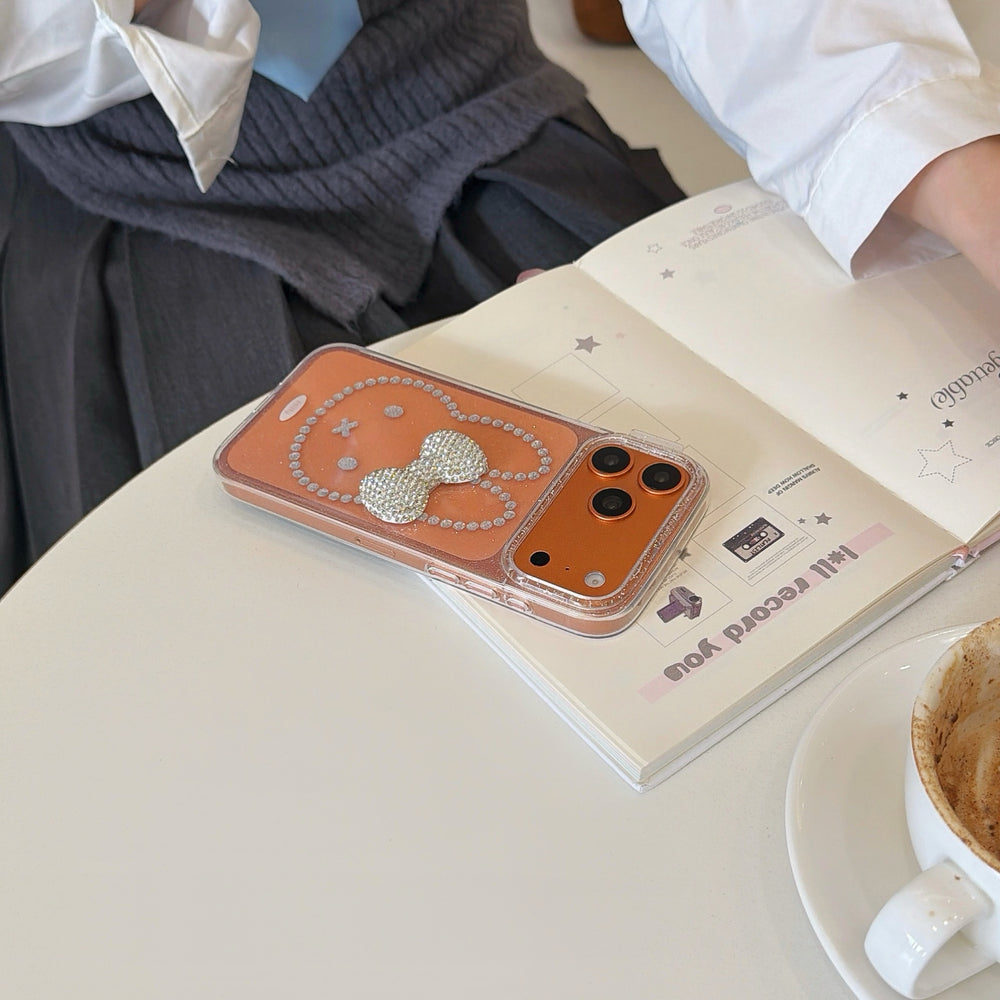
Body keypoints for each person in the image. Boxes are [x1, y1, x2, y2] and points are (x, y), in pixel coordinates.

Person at [0, 0, 997, 597]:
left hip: (476, 107)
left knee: (756, 526)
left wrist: (938, 156)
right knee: (247, 631)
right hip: (135, 197)